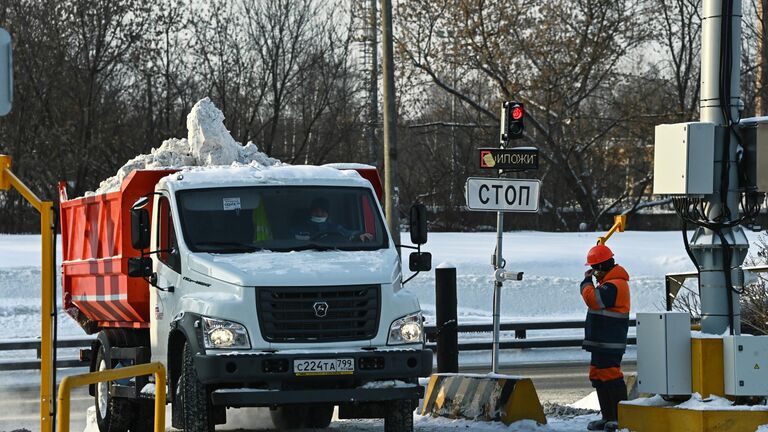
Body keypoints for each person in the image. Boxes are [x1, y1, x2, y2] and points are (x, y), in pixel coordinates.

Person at [581, 244, 630, 432]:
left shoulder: (615, 285)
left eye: (594, 269)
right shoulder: (608, 284)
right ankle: (608, 417)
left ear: (601, 267)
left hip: (610, 340)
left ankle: (619, 418)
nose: (593, 274)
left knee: (610, 376)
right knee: (598, 375)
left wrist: (585, 283)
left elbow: (593, 299)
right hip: (602, 340)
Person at [293, 197, 373, 242]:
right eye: (316, 211)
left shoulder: (335, 227)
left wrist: (359, 235)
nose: (319, 214)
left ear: (328, 214)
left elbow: (349, 233)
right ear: (311, 212)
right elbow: (290, 241)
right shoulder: (300, 228)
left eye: (323, 211)